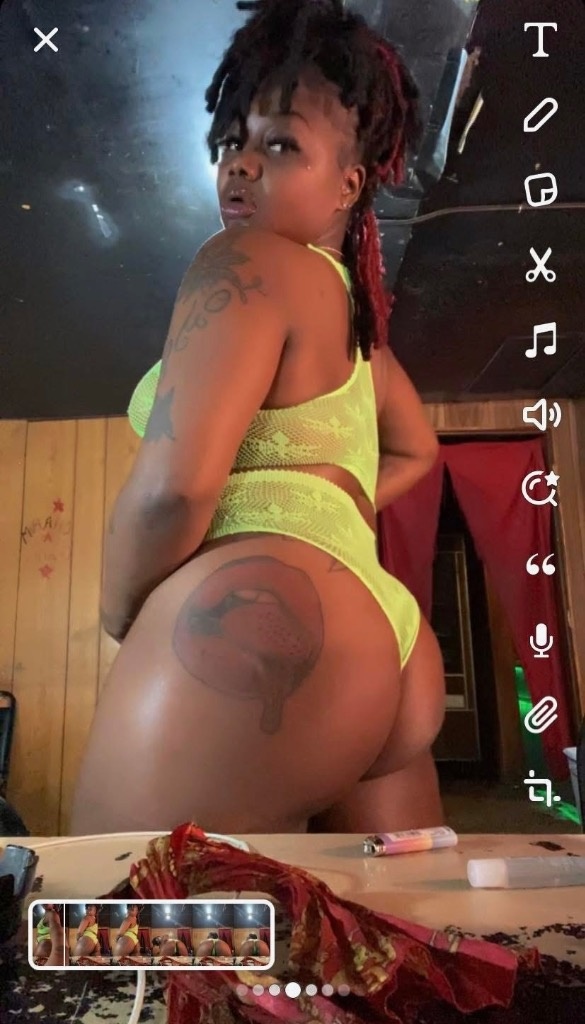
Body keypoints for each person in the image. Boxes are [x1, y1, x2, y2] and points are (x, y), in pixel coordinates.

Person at [72, 0, 445, 836]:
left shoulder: (244, 260)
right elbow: (417, 452)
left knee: (113, 907)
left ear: (349, 184)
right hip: (389, 647)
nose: (240, 163)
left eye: (280, 145)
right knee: (381, 922)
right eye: (232, 142)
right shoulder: (364, 343)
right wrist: (328, 512)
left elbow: (173, 491)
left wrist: (124, 614)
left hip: (258, 615)